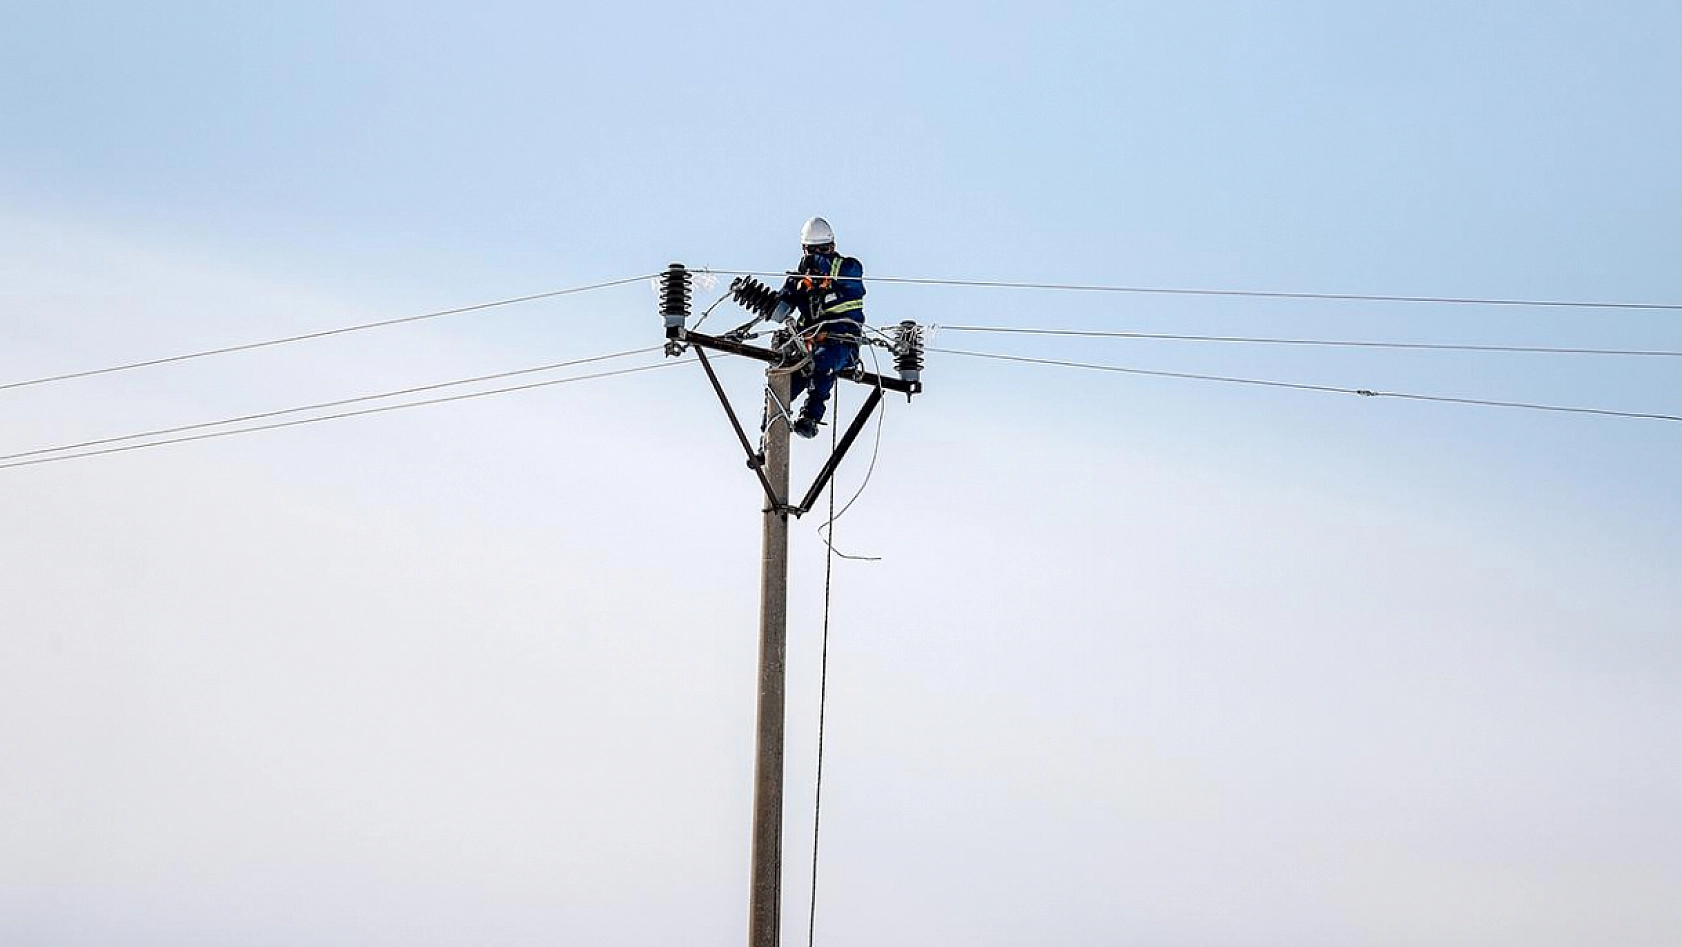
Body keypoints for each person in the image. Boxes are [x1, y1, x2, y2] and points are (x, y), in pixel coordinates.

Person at [773, 217, 865, 439]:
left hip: (841, 343)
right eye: (812, 251)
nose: (817, 256)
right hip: (808, 347)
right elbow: (782, 305)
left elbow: (851, 272)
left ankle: (810, 417)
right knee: (782, 386)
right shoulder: (800, 279)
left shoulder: (847, 270)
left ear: (832, 247)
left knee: (823, 363)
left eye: (823, 250)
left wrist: (819, 262)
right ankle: (768, 438)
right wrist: (775, 303)